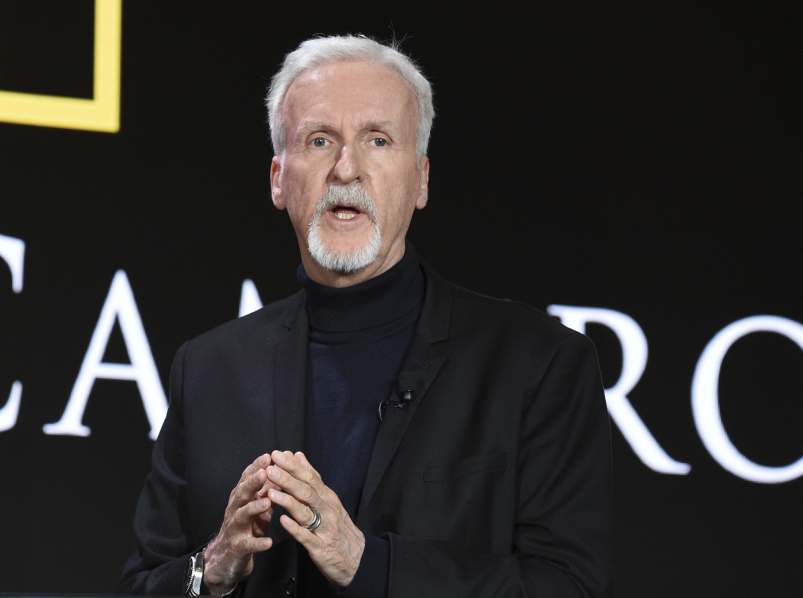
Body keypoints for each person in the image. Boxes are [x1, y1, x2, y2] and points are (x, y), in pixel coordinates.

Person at [117, 35, 613, 597]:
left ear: (421, 179)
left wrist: (369, 565)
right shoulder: (209, 369)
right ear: (279, 178)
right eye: (319, 140)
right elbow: (140, 585)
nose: (346, 168)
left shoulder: (540, 364)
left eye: (377, 140)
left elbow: (572, 586)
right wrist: (211, 570)